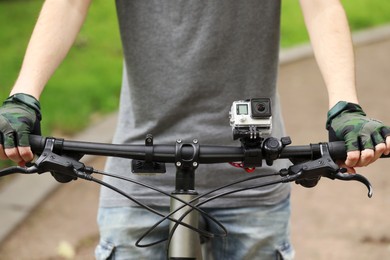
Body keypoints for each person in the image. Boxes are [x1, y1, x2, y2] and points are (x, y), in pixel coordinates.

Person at [1, 0, 389, 259]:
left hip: (252, 177)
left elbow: (321, 6)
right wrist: (23, 98)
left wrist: (345, 106)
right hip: (139, 177)